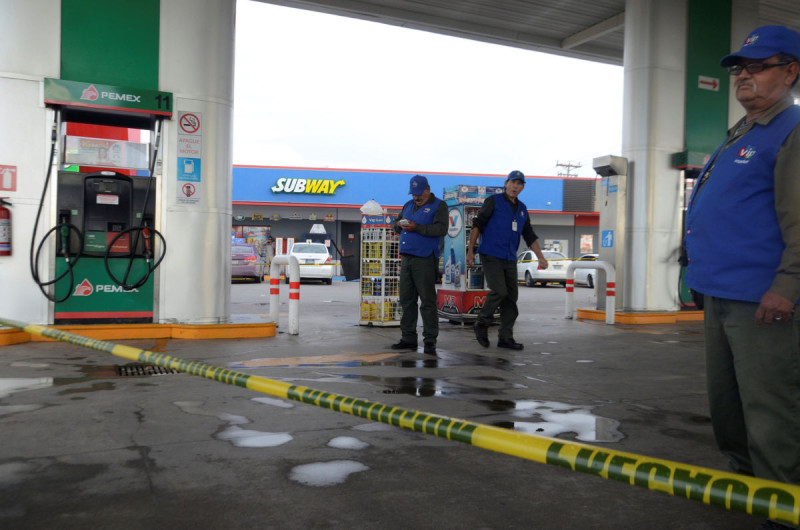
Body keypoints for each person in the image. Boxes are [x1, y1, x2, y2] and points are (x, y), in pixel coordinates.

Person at [684, 24, 800, 520]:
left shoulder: (792, 132)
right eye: (739, 69)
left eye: (758, 66)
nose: (743, 76)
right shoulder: (745, 133)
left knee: (771, 415)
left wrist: (788, 285)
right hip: (721, 294)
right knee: (729, 411)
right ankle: (746, 497)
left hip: (763, 300)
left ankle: (782, 503)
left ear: (791, 71)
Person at [467, 170, 548, 350]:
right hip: (491, 254)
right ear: (506, 183)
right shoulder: (493, 201)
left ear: (523, 187)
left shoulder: (522, 209)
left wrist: (541, 257)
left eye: (519, 184)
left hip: (510, 257)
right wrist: (471, 251)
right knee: (500, 291)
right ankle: (482, 322)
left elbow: (529, 235)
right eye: (513, 183)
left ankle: (505, 337)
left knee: (511, 297)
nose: (515, 186)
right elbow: (477, 224)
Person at [391, 174, 448, 354]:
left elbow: (441, 229)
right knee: (407, 300)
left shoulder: (439, 206)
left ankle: (430, 340)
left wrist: (417, 227)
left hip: (425, 258)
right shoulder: (408, 206)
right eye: (413, 194)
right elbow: (395, 225)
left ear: (428, 190)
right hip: (407, 258)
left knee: (427, 301)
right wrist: (399, 224)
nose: (416, 197)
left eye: (419, 193)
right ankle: (408, 338)